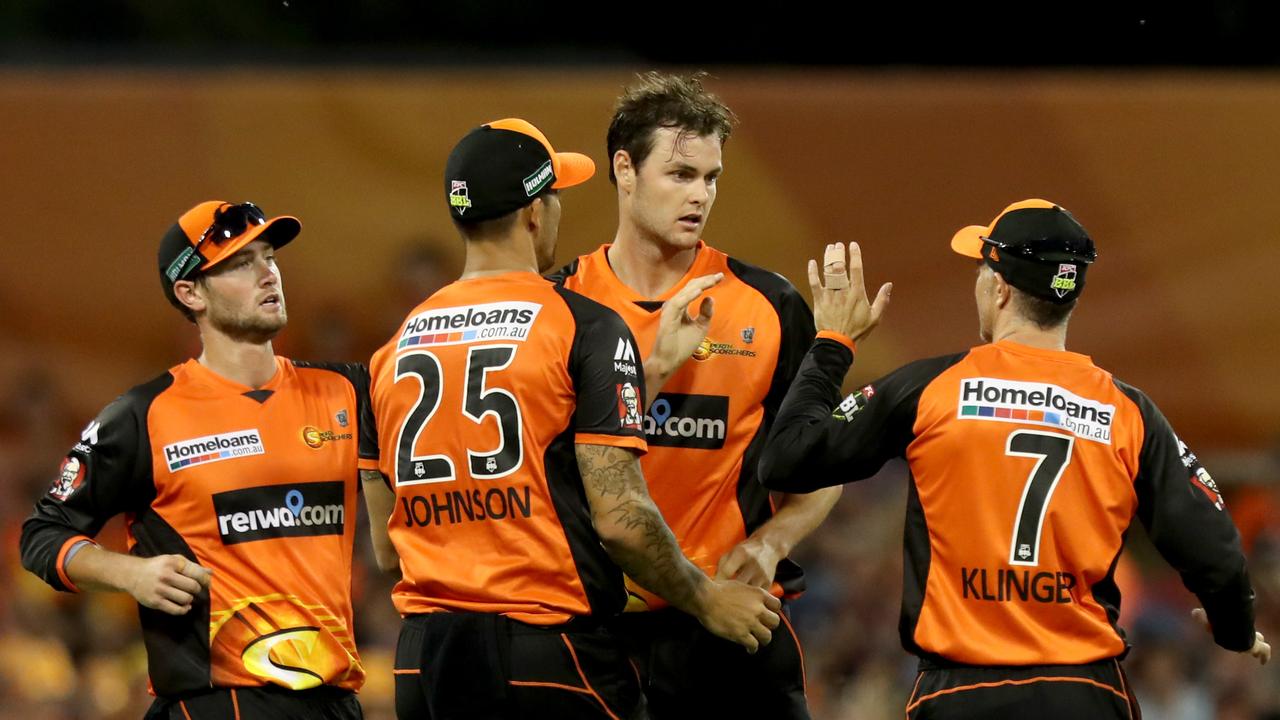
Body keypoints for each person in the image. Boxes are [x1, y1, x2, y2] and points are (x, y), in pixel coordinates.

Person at [759, 199, 1272, 719]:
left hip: (960, 694)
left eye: (982, 266)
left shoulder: (931, 388)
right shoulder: (1127, 412)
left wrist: (832, 345)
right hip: (1088, 695)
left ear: (999, 288)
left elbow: (786, 460)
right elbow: (1216, 550)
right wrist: (1233, 628)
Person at [363, 118, 781, 720]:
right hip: (546, 655)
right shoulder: (580, 325)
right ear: (536, 211)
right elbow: (622, 521)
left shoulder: (391, 350)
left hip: (423, 661)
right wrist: (706, 598)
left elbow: (385, 548)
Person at [552, 71, 839, 719]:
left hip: (733, 631)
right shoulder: (559, 304)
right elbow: (542, 472)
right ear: (624, 169)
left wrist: (772, 542)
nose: (700, 195)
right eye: (680, 175)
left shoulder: (768, 303)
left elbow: (821, 470)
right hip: (596, 633)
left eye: (711, 178)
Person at [20, 201, 375, 719]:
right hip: (213, 703)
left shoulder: (348, 390)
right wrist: (129, 575)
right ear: (190, 293)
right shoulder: (143, 415)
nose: (268, 274)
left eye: (268, 256)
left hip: (336, 700)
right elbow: (42, 534)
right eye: (238, 263)